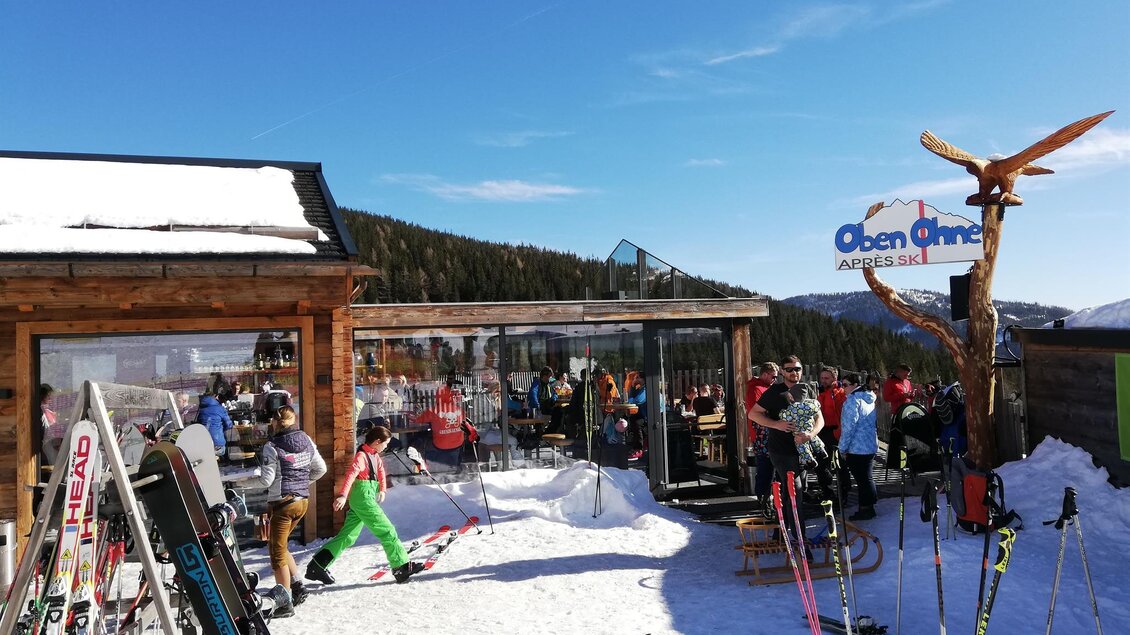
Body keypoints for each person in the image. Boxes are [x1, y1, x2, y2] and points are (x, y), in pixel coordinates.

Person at [305, 426, 424, 585]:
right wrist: (342, 495)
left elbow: (381, 472)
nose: (386, 447)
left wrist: (382, 489)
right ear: (377, 442)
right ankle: (401, 566)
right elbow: (351, 475)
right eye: (385, 444)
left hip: (364, 497)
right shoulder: (361, 456)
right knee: (387, 530)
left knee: (348, 536)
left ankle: (317, 565)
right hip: (362, 498)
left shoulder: (374, 456)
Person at [254, 406, 327, 617]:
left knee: (276, 555)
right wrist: (303, 484)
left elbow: (266, 480)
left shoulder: (271, 446)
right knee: (281, 544)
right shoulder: (306, 439)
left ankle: (284, 603)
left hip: (283, 505)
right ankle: (297, 585)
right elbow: (320, 469)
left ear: (274, 422)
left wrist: (250, 477)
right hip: (302, 501)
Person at [748, 356, 824, 544]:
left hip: (802, 449)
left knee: (794, 492)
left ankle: (781, 533)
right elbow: (753, 414)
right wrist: (776, 424)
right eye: (789, 369)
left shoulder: (808, 390)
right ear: (782, 371)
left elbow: (819, 418)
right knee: (795, 489)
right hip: (780, 450)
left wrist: (811, 435)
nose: (794, 372)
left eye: (797, 369)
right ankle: (800, 537)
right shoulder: (774, 392)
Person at [838, 373, 879, 520]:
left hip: (856, 446)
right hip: (869, 444)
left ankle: (865, 509)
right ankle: (870, 505)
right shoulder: (868, 398)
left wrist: (842, 447)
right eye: (841, 385)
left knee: (862, 479)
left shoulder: (852, 401)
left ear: (855, 385)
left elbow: (849, 427)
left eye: (845, 385)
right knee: (867, 477)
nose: (843, 389)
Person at [744, 362, 779, 501]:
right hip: (762, 434)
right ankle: (763, 497)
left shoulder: (765, 388)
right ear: (765, 374)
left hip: (771, 431)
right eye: (773, 377)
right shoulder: (756, 389)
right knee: (765, 466)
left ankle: (770, 495)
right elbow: (756, 413)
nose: (775, 380)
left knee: (773, 465)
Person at [815, 367, 848, 500]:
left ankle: (843, 494)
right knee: (821, 464)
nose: (823, 381)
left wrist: (838, 433)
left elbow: (843, 416)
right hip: (822, 431)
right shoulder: (822, 392)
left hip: (835, 432)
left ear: (834, 379)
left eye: (826, 378)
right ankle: (827, 491)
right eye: (822, 378)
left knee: (839, 465)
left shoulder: (839, 394)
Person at [40, 383, 64, 465]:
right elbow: (44, 431)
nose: (50, 398)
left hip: (53, 445)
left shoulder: (48, 412)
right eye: (48, 395)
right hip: (46, 446)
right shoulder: (39, 411)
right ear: (42, 396)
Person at [625, 373, 647, 460]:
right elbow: (632, 397)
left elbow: (637, 400)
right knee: (632, 418)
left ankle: (639, 448)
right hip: (642, 414)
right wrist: (633, 386)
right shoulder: (640, 388)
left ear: (643, 379)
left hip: (648, 415)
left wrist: (629, 400)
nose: (636, 379)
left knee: (637, 422)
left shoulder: (645, 389)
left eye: (637, 378)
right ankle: (635, 446)